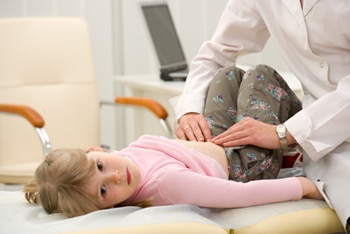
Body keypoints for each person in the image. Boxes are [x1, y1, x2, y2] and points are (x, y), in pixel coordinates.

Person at [169, 0, 350, 231]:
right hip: (316, 133)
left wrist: (284, 133)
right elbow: (217, 53)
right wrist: (189, 111)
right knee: (232, 76)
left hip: (319, 130)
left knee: (260, 76)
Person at [24, 134, 323, 218]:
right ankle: (298, 132)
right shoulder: (165, 185)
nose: (115, 177)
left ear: (93, 149)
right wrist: (302, 186)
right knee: (260, 78)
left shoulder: (127, 155)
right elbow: (238, 195)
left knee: (228, 76)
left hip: (222, 139)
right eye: (103, 191)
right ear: (107, 208)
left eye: (100, 166)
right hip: (246, 162)